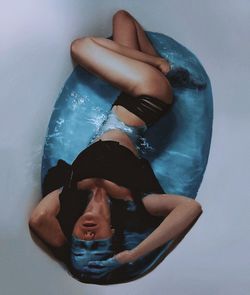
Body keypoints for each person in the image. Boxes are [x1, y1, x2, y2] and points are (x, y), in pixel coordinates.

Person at [29, 10, 203, 281]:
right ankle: (158, 66)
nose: (87, 237)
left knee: (122, 19)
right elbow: (191, 209)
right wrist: (131, 256)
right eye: (97, 244)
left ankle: (160, 65)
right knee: (80, 47)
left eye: (81, 244)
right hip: (148, 98)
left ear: (71, 232)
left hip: (126, 99)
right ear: (111, 233)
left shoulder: (70, 195)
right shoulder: (134, 203)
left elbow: (39, 220)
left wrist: (68, 254)